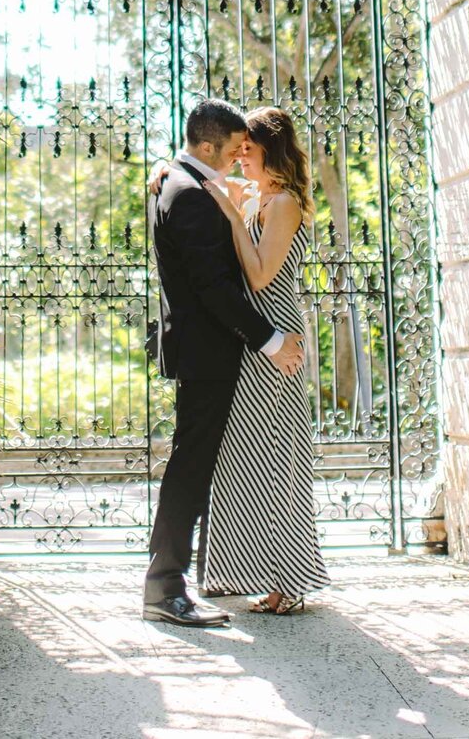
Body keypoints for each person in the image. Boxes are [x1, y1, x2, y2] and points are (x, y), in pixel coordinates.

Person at [143, 99, 305, 628]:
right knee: (190, 468)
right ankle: (166, 587)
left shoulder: (180, 183)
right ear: (209, 146)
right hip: (209, 350)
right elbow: (214, 288)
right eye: (235, 149)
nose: (240, 158)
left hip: (210, 348)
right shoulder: (188, 193)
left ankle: (173, 581)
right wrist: (270, 340)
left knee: (194, 465)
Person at [199, 105, 330, 615]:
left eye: (247, 150)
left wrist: (232, 213)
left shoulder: (285, 204)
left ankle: (291, 581)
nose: (240, 158)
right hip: (249, 339)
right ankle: (245, 572)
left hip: (276, 341)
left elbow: (259, 276)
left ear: (269, 149)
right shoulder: (256, 197)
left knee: (277, 459)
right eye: (237, 150)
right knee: (244, 460)